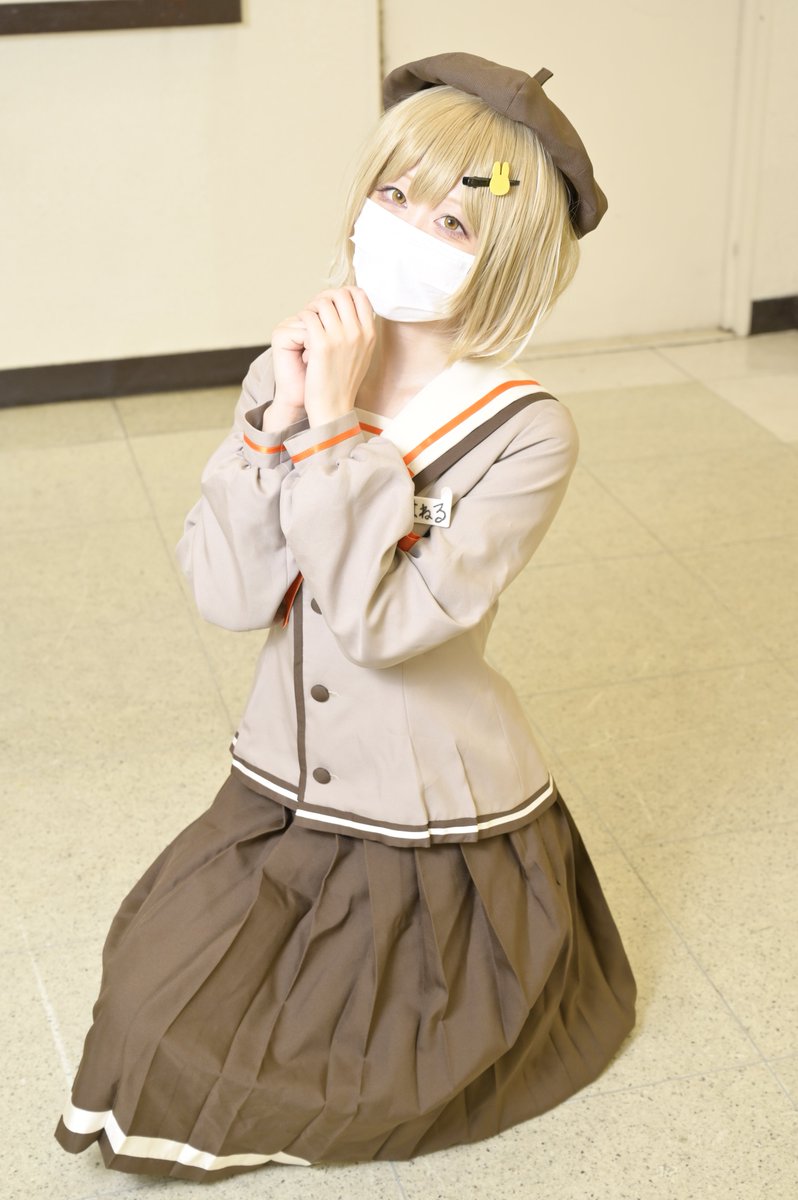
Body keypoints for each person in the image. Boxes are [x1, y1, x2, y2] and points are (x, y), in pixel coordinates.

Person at [55, 52, 636, 1182]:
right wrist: (282, 414)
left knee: (358, 1066)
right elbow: (226, 594)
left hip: (431, 815)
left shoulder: (527, 430)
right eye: (393, 194)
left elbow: (384, 627)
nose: (407, 230)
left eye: (456, 222)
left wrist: (332, 432)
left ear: (509, 254)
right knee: (147, 1008)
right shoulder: (290, 368)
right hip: (280, 781)